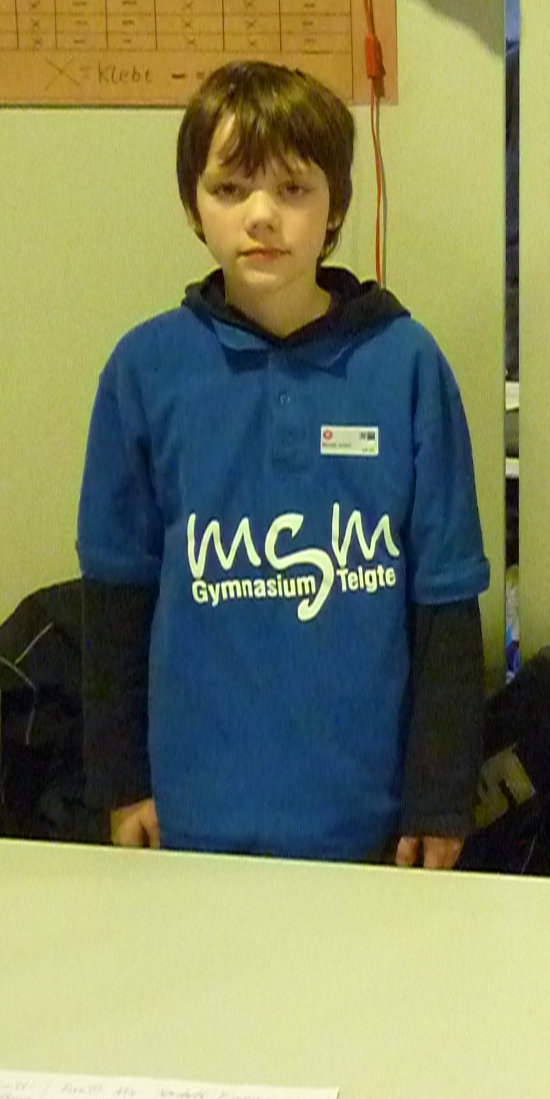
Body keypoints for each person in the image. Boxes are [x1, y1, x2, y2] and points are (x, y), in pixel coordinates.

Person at [77, 60, 490, 869]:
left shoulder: (406, 365)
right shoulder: (145, 371)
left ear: (335, 205)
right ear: (192, 205)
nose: (261, 215)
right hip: (195, 820)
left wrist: (440, 800)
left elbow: (445, 603)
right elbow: (116, 599)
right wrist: (124, 785)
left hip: (368, 825)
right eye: (230, 189)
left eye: (293, 189)